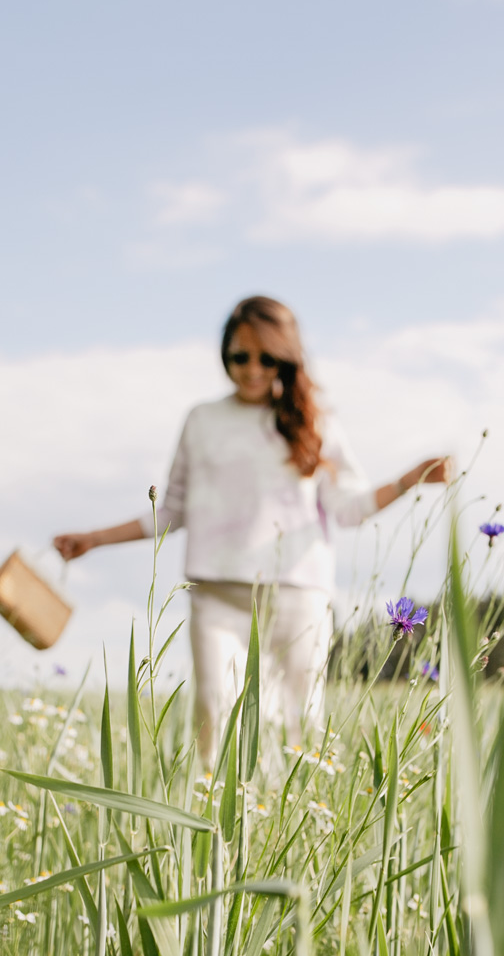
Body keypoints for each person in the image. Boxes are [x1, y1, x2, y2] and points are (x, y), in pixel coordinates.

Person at [53, 295, 451, 763]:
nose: (253, 369)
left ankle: (297, 827)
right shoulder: (202, 420)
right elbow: (171, 509)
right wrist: (94, 539)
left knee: (302, 723)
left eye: (267, 357)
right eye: (241, 356)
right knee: (213, 718)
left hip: (297, 596)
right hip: (217, 595)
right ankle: (212, 828)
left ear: (286, 358)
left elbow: (348, 509)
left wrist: (410, 480)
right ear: (225, 355)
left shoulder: (314, 422)